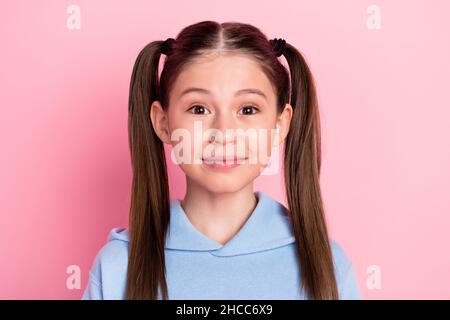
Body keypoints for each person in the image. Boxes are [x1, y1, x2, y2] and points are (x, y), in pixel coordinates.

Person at [82, 20, 361, 300]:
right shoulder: (118, 267)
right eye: (199, 109)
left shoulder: (329, 267)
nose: (224, 133)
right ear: (163, 123)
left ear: (280, 125)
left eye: (248, 109)